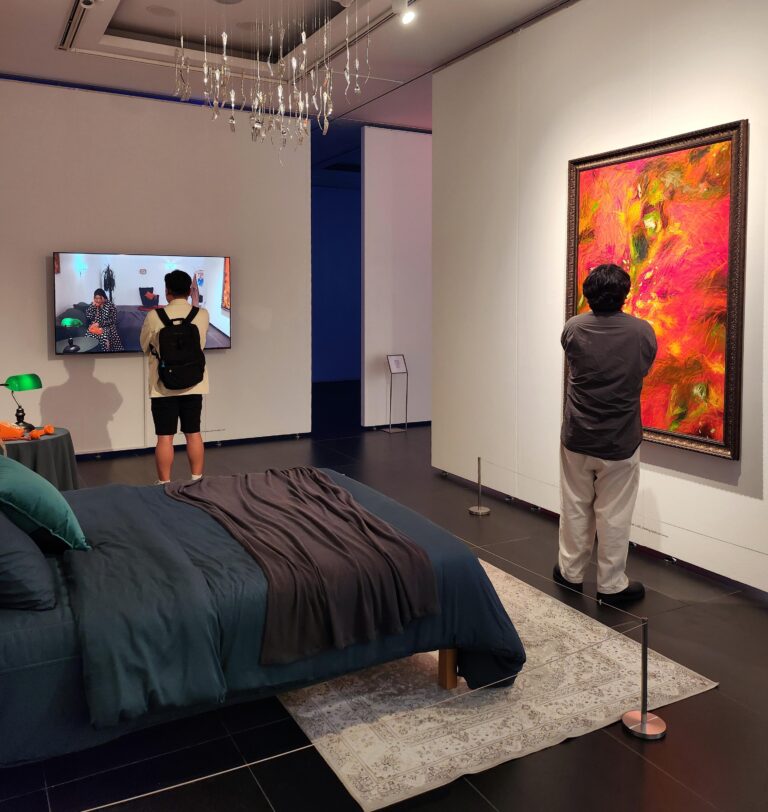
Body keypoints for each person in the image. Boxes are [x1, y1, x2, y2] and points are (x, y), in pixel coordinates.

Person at [554, 264, 657, 604]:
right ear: (624, 294)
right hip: (619, 439)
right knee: (615, 514)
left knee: (574, 506)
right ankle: (611, 584)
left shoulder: (573, 328)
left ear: (589, 294)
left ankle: (570, 572)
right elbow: (642, 368)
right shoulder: (642, 332)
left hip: (577, 436)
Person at [139, 270, 209, 485]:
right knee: (193, 433)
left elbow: (145, 346)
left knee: (164, 437)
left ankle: (164, 484)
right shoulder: (202, 314)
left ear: (167, 291)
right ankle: (197, 480)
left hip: (163, 385)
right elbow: (201, 344)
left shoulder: (154, 316)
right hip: (194, 384)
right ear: (189, 291)